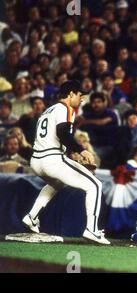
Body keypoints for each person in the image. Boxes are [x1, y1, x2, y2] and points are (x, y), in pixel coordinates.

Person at [22, 80, 110, 245]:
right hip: (52, 159)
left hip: (36, 160)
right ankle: (92, 230)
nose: (82, 99)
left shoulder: (48, 110)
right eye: (79, 95)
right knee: (95, 186)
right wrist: (82, 150)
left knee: (56, 184)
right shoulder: (66, 108)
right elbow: (63, 134)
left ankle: (32, 217)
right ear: (71, 94)